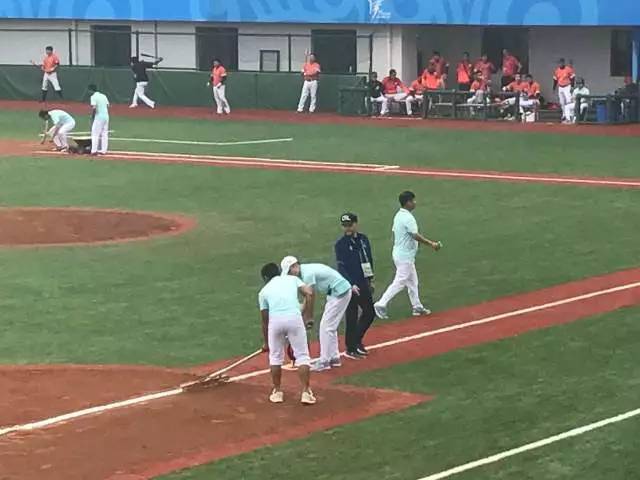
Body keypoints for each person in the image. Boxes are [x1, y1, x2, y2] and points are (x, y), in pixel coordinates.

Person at [281, 256, 357, 372]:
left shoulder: (307, 273)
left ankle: (324, 361)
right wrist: (302, 314)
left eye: (289, 272)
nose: (290, 275)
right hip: (336, 293)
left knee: (325, 327)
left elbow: (310, 295)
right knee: (330, 327)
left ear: (294, 267)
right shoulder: (304, 272)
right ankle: (334, 358)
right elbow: (307, 297)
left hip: (339, 293)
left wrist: (309, 317)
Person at [374, 191, 441, 319]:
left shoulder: (399, 215)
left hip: (401, 254)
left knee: (412, 282)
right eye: (413, 201)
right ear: (408, 202)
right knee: (400, 281)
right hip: (404, 256)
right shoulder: (408, 218)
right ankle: (381, 304)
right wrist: (431, 244)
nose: (415, 203)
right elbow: (414, 235)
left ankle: (417, 307)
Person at [258, 262, 316, 405]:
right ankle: (306, 392)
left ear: (265, 278)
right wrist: (308, 315)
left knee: (275, 357)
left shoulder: (263, 291)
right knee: (302, 356)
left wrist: (266, 343)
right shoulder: (292, 279)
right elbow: (309, 292)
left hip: (275, 322)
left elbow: (265, 320)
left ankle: (277, 392)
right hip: (294, 319)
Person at [334, 213, 375, 359]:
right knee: (351, 315)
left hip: (363, 281)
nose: (347, 228)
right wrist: (350, 284)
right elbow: (341, 267)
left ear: (356, 224)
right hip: (350, 285)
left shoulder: (363, 239)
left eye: (350, 225)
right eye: (345, 226)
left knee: (369, 313)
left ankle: (356, 340)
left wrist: (370, 279)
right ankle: (351, 348)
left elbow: (368, 260)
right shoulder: (341, 244)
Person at [88, 84, 110, 155]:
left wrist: (92, 116)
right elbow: (108, 105)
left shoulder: (93, 97)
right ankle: (104, 150)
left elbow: (94, 108)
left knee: (95, 133)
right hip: (106, 116)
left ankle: (94, 151)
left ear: (91, 90)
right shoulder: (103, 95)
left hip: (99, 117)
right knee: (104, 133)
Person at [553, 58, 576, 122]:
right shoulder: (557, 70)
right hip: (560, 87)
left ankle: (571, 114)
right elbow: (555, 80)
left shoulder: (568, 69)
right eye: (559, 63)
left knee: (569, 101)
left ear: (563, 63)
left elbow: (572, 78)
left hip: (567, 86)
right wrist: (554, 88)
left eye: (561, 62)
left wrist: (572, 86)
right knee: (562, 102)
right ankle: (564, 114)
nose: (560, 64)